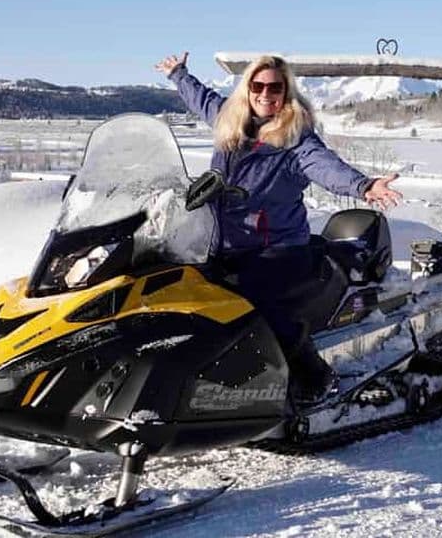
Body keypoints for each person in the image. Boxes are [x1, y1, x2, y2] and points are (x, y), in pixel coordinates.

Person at [155, 52, 403, 403]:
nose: (266, 94)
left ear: (286, 91)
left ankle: (314, 377)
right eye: (258, 85)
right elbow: (203, 99)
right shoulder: (231, 119)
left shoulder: (295, 137)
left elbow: (325, 167)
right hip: (220, 241)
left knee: (258, 300)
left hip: (278, 248)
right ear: (247, 88)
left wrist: (363, 185)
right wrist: (179, 74)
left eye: (275, 87)